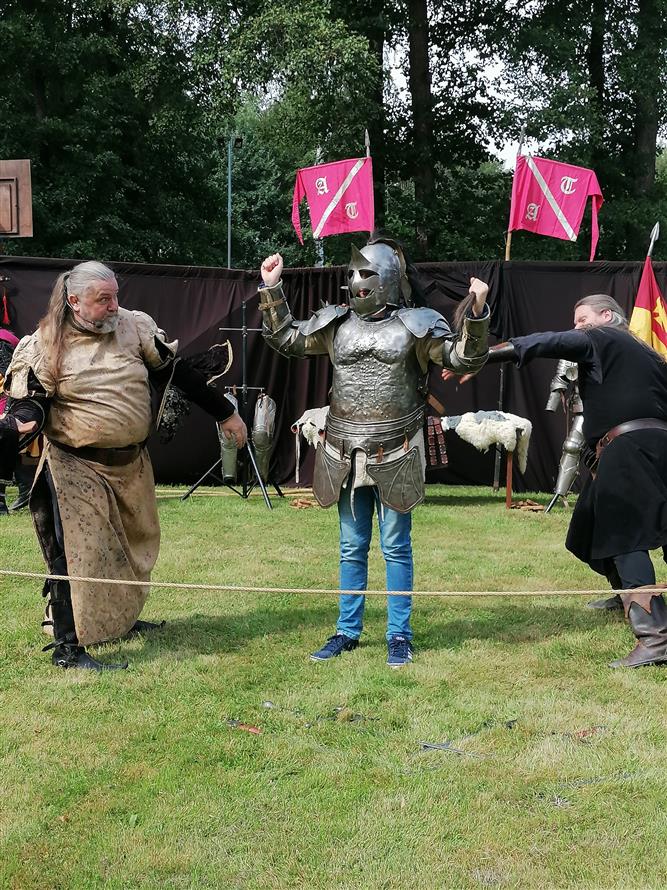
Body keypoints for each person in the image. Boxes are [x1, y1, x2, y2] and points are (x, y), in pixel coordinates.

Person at [0, 261, 247, 671]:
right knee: (76, 555)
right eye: (104, 299)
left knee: (127, 553)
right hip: (76, 465)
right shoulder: (45, 343)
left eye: (115, 296)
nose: (114, 305)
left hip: (131, 464)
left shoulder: (135, 327)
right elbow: (31, 404)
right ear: (74, 301)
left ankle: (120, 621)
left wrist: (225, 412)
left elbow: (178, 372)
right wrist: (19, 424)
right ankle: (67, 648)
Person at [258, 238, 490, 667]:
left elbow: (463, 360)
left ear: (390, 279)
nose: (357, 282)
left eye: (366, 274)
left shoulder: (418, 324)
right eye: (352, 274)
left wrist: (476, 311)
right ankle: (347, 630)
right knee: (351, 546)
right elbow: (287, 338)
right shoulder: (335, 324)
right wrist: (272, 288)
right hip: (343, 448)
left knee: (395, 545)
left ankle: (399, 634)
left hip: (397, 448)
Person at [462, 294, 667, 668]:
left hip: (631, 450)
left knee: (624, 536)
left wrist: (484, 356)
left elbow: (548, 341)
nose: (577, 328)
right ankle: (626, 594)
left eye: (582, 319)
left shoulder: (603, 336)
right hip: (651, 448)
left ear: (608, 316)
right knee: (587, 527)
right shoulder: (649, 354)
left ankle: (655, 637)